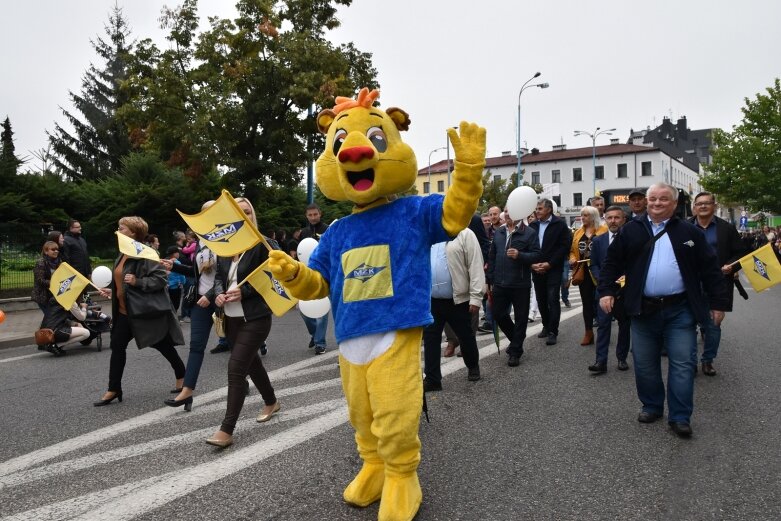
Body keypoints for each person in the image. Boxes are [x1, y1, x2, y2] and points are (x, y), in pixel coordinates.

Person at [598, 183, 728, 438]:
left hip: (680, 310)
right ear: (647, 202)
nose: (657, 203)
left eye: (663, 199)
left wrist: (718, 303)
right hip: (643, 310)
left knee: (682, 363)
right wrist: (606, 291)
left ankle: (680, 416)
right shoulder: (631, 230)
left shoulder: (689, 232)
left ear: (674, 203)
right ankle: (652, 405)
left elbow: (710, 269)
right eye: (653, 199)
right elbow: (612, 263)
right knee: (645, 364)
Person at [205, 197, 280, 448]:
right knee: (252, 364)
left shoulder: (263, 244)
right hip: (231, 319)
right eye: (238, 212)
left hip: (256, 317)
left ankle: (226, 430)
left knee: (236, 369)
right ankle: (271, 401)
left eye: (247, 211)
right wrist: (218, 294)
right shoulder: (225, 247)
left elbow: (273, 277)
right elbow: (218, 277)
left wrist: (244, 291)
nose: (244, 215)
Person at [93, 216, 186, 407]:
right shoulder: (122, 253)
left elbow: (160, 280)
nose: (118, 231)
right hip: (123, 312)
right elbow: (120, 279)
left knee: (161, 344)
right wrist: (112, 289)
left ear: (134, 233)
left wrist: (138, 282)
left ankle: (182, 375)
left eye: (122, 228)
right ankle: (114, 388)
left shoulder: (146, 253)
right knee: (117, 347)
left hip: (142, 312)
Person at [162, 200, 226, 411]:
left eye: (211, 212)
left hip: (222, 300)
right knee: (196, 346)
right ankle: (187, 392)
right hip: (200, 301)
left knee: (238, 346)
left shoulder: (227, 238)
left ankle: (242, 381)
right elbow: (198, 273)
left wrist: (210, 294)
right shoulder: (201, 240)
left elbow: (228, 274)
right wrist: (176, 266)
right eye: (204, 213)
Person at [689, 191, 747, 376]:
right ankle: (690, 362)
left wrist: (731, 266)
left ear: (714, 206)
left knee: (714, 323)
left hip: (718, 282)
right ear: (694, 207)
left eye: (707, 203)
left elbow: (741, 253)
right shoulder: (685, 227)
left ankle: (707, 360)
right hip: (690, 283)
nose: (703, 206)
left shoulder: (726, 228)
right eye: (699, 204)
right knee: (687, 323)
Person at [423, 228, 485, 390]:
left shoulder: (465, 234)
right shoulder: (429, 232)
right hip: (432, 300)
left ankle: (473, 367)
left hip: (457, 299)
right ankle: (432, 379)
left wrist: (476, 297)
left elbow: (475, 264)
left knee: (465, 335)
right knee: (430, 339)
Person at [487, 209, 541, 367]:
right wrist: (489, 279)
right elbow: (492, 256)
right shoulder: (499, 232)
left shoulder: (529, 233)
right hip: (499, 283)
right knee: (497, 314)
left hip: (520, 283)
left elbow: (537, 255)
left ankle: (515, 351)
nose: (508, 214)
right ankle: (516, 342)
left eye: (511, 211)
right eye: (505, 211)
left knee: (521, 318)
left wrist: (520, 255)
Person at [588, 206, 630, 373]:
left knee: (624, 325)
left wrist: (625, 279)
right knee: (603, 325)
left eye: (617, 217)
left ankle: (621, 358)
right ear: (605, 219)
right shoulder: (598, 241)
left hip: (624, 290)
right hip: (604, 289)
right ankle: (600, 361)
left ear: (623, 219)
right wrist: (602, 280)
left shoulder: (631, 240)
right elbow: (594, 264)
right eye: (610, 218)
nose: (613, 221)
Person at [529, 198, 572, 346]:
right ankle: (546, 326)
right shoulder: (533, 225)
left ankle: (553, 331)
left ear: (548, 209)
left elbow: (564, 246)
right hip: (536, 268)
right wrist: (533, 264)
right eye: (536, 208)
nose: (537, 211)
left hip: (553, 268)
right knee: (541, 299)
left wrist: (550, 263)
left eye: (540, 208)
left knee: (553, 299)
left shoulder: (559, 224)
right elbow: (528, 246)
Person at [569, 205, 608, 346]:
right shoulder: (578, 232)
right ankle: (588, 332)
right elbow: (572, 250)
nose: (583, 218)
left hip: (600, 271)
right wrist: (572, 258)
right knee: (586, 303)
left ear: (593, 216)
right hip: (583, 271)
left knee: (600, 301)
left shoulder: (604, 231)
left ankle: (604, 332)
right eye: (582, 215)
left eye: (585, 215)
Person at [298, 203, 330, 354]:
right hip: (307, 275)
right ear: (306, 216)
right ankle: (314, 334)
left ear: (320, 213)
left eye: (315, 214)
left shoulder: (328, 230)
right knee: (303, 310)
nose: (312, 217)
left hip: (325, 274)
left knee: (322, 311)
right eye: (309, 215)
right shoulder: (303, 232)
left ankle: (320, 343)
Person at [32, 241, 61, 314]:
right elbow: (40, 280)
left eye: (57, 249)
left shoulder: (59, 261)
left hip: (53, 295)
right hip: (43, 296)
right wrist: (54, 283)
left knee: (52, 317)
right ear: (46, 251)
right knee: (49, 317)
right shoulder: (41, 263)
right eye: (53, 250)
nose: (56, 251)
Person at [165, 245, 186, 315]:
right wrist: (183, 282)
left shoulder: (165, 261)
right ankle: (174, 319)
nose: (179, 254)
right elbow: (182, 274)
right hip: (176, 287)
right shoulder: (177, 263)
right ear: (175, 254)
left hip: (167, 287)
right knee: (176, 304)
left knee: (169, 303)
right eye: (178, 252)